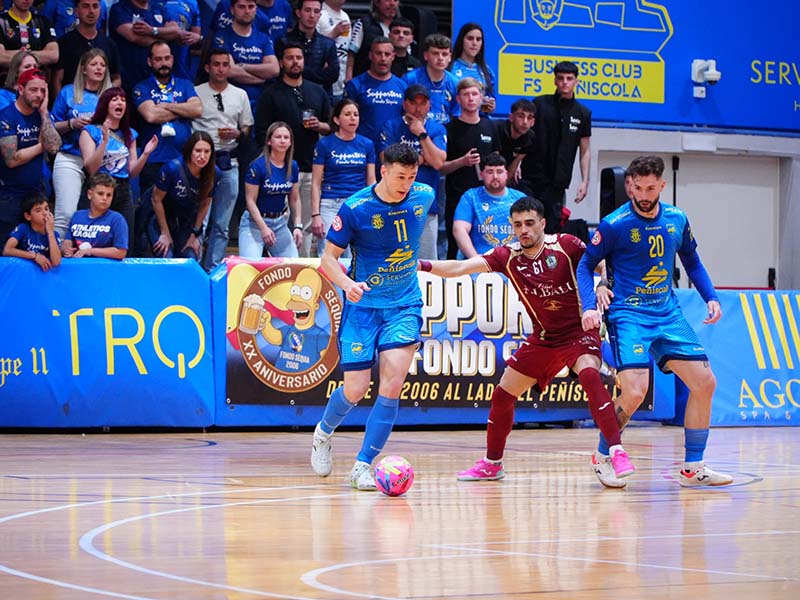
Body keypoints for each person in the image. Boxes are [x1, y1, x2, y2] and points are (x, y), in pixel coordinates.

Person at [420, 195, 633, 483]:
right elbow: (460, 268)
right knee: (503, 394)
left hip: (579, 332)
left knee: (589, 374)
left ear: (543, 223)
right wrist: (421, 265)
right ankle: (492, 464)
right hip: (544, 338)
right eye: (518, 225)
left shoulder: (566, 245)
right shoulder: (507, 256)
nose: (524, 230)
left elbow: (603, 262)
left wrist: (603, 285)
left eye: (530, 223)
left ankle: (615, 452)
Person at [577, 155, 733, 488]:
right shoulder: (614, 224)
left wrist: (711, 297)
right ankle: (603, 455)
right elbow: (585, 265)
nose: (644, 195)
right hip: (628, 314)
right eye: (638, 188)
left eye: (651, 188)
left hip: (667, 313)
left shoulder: (677, 219)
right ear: (630, 186)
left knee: (705, 383)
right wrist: (589, 305)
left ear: (662, 185)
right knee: (634, 392)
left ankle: (693, 467)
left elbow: (692, 261)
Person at [310, 143, 434, 490]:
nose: (406, 184)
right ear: (383, 171)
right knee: (356, 389)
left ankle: (363, 465)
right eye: (400, 176)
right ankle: (323, 433)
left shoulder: (424, 196)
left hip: (404, 304)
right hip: (362, 308)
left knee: (392, 383)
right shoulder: (356, 207)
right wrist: (347, 284)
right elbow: (328, 259)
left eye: (412, 177)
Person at [254, 40, 330, 257]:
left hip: (308, 168)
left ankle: (301, 268)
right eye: (289, 58)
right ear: (281, 62)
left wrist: (319, 126)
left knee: (303, 227)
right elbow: (261, 133)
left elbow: (331, 127)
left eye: (299, 57)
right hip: (277, 170)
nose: (295, 62)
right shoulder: (270, 94)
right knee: (274, 224)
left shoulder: (317, 91)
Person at [193, 47, 253, 271]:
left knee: (222, 224)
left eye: (225, 64)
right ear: (207, 67)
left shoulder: (240, 95)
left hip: (229, 161)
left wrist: (238, 133)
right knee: (200, 220)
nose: (220, 69)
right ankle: (195, 267)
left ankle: (213, 269)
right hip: (201, 162)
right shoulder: (195, 92)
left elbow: (247, 127)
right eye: (216, 64)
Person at [79, 86, 158, 253]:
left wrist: (145, 154)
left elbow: (132, 171)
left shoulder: (130, 134)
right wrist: (104, 141)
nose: (120, 102)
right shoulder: (90, 131)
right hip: (98, 188)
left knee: (124, 240)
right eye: (114, 99)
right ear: (105, 105)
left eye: (123, 99)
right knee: (92, 239)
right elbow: (91, 168)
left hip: (122, 190)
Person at [520, 60, 591, 234]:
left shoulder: (582, 113)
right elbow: (524, 134)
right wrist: (517, 163)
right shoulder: (539, 104)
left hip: (557, 182)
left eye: (569, 78)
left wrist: (584, 181)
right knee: (526, 224)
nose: (565, 82)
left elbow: (585, 150)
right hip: (531, 177)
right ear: (555, 80)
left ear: (576, 81)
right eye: (561, 78)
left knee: (551, 230)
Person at [378, 83, 445, 259]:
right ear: (405, 104)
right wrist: (421, 159)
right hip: (393, 204)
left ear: (429, 105)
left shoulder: (436, 128)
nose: (418, 108)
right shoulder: (391, 126)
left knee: (427, 263)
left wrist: (421, 134)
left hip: (425, 206)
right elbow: (387, 160)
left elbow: (438, 162)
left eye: (423, 103)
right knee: (393, 259)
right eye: (414, 102)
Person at [51, 48, 112, 237]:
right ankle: (57, 251)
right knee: (65, 214)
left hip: (101, 161)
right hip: (70, 157)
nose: (99, 68)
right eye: (94, 64)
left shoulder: (111, 96)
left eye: (102, 65)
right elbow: (51, 127)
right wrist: (71, 123)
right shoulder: (68, 92)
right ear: (84, 69)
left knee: (98, 215)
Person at [440, 77, 501, 259]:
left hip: (486, 199)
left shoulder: (490, 126)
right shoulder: (449, 129)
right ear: (458, 99)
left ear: (482, 97)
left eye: (475, 94)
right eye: (466, 94)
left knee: (487, 245)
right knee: (455, 247)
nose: (471, 98)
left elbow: (498, 161)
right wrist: (462, 161)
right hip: (457, 197)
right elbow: (441, 168)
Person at [0, 68, 61, 247]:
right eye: (33, 90)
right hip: (9, 195)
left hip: (36, 194)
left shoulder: (41, 115)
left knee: (34, 248)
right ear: (20, 89)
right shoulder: (6, 116)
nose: (39, 95)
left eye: (42, 91)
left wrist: (44, 113)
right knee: (6, 249)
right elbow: (12, 159)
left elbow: (55, 146)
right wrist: (42, 146)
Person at [133, 40, 202, 193]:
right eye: (158, 59)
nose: (164, 63)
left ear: (172, 59)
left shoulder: (185, 84)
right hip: (154, 161)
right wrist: (183, 109)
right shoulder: (142, 87)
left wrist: (165, 106)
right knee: (151, 205)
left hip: (183, 159)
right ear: (150, 61)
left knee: (181, 206)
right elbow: (151, 115)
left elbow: (197, 109)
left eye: (167, 58)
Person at [310, 98, 375, 256]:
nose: (353, 118)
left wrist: (374, 208)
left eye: (356, 114)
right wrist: (315, 214)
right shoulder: (325, 144)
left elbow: (371, 180)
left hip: (358, 204)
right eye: (347, 114)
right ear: (337, 120)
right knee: (329, 254)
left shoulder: (367, 144)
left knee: (355, 255)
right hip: (331, 204)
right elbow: (316, 183)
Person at [147, 131, 216, 261]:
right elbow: (156, 199)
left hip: (187, 223)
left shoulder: (214, 173)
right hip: (162, 219)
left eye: (207, 151)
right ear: (190, 151)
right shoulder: (171, 169)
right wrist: (165, 233)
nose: (202, 156)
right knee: (166, 255)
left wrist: (194, 234)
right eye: (198, 151)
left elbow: (206, 203)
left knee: (190, 258)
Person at [239, 121, 302, 259]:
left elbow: (295, 199)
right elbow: (250, 201)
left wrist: (298, 226)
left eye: (286, 137)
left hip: (279, 223)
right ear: (269, 141)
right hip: (254, 223)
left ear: (290, 142)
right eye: (278, 137)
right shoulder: (257, 166)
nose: (282, 141)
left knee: (293, 264)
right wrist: (263, 228)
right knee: (250, 265)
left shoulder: (293, 166)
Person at [452, 152, 526, 258]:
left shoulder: (520, 198)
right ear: (481, 174)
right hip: (478, 259)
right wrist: (476, 260)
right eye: (490, 172)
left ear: (507, 174)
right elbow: (459, 229)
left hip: (513, 260)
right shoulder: (471, 197)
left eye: (499, 172)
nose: (495, 176)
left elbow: (532, 230)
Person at [211, 0, 278, 111]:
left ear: (256, 9)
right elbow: (230, 71)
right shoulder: (221, 36)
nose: (247, 11)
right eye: (241, 7)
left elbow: (274, 69)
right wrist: (262, 79)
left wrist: (243, 66)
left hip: (262, 102)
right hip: (232, 102)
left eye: (251, 7)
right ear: (232, 10)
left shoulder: (263, 38)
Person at [343, 36, 405, 149]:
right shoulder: (355, 85)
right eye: (378, 53)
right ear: (371, 55)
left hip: (393, 150)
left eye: (387, 54)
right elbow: (345, 120)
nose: (383, 58)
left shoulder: (403, 86)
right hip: (362, 148)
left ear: (393, 56)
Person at [109, 0, 182, 94]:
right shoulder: (120, 9)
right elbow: (134, 37)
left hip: (159, 81)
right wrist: (165, 38)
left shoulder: (158, 7)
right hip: (131, 80)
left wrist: (152, 30)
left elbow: (176, 31)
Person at [53, 0, 121, 97]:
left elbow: (117, 78)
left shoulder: (109, 44)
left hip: (101, 102)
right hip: (72, 101)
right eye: (86, 6)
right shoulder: (64, 43)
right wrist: (60, 103)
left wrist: (106, 92)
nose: (91, 11)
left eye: (95, 6)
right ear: (76, 11)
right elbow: (57, 79)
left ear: (100, 10)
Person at [278, 0, 338, 99]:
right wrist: (320, 71)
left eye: (316, 11)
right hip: (289, 97)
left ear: (320, 15)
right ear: (298, 13)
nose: (312, 15)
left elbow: (333, 75)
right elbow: (281, 72)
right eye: (307, 10)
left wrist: (298, 69)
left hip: (320, 99)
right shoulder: (284, 41)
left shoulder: (328, 44)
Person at [62, 172, 127, 259]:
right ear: (90, 194)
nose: (105, 198)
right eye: (100, 194)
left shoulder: (117, 219)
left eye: (109, 195)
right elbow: (67, 240)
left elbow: (121, 252)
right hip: (78, 264)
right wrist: (66, 249)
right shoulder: (77, 216)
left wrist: (91, 251)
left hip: (104, 266)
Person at [402, 33, 459, 126]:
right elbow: (402, 110)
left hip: (445, 131)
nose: (440, 58)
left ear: (450, 57)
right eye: (435, 53)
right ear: (426, 55)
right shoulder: (410, 79)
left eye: (444, 54)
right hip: (414, 129)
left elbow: (457, 114)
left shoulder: (455, 83)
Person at [3, 192, 62, 271]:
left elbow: (56, 262)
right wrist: (35, 256)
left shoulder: (54, 234)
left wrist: (50, 233)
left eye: (46, 209)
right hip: (21, 272)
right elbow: (7, 250)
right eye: (38, 210)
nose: (45, 213)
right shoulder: (23, 229)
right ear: (28, 216)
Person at [450, 22, 496, 115]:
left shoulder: (487, 71)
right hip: (456, 119)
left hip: (480, 120)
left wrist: (491, 106)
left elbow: (491, 101)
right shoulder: (450, 67)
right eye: (470, 38)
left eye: (478, 39)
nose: (474, 43)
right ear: (461, 40)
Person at [0, 0, 59, 72]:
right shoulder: (2, 21)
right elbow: (1, 57)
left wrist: (21, 55)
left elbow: (53, 55)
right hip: (7, 77)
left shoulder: (43, 21)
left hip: (36, 77)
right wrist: (37, 55)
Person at [346, 0, 397, 80]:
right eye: (387, 0)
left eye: (395, 0)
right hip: (365, 78)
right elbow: (351, 54)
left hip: (393, 78)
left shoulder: (401, 26)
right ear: (377, 3)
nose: (392, 3)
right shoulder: (364, 23)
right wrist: (349, 76)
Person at [159, 0, 202, 81]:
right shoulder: (153, 2)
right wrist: (169, 32)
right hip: (159, 58)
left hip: (182, 61)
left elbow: (197, 34)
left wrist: (197, 37)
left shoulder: (192, 3)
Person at [317, 0, 350, 103]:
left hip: (341, 86)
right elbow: (311, 43)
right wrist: (332, 34)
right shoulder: (319, 14)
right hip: (321, 87)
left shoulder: (345, 16)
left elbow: (347, 49)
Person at [497, 98, 536, 186]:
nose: (525, 122)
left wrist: (504, 187)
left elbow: (515, 164)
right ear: (511, 117)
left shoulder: (530, 137)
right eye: (521, 116)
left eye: (529, 118)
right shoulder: (497, 129)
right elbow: (493, 163)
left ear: (533, 122)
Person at [44, 0, 108, 38]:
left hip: (93, 51)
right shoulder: (54, 2)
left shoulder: (100, 4)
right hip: (63, 50)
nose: (91, 10)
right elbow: (45, 28)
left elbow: (102, 31)